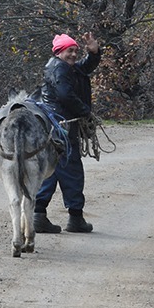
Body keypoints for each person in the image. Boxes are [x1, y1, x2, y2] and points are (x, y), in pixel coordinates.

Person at [34, 31, 101, 234]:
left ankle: (38, 215)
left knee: (51, 170)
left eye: (75, 50)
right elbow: (65, 95)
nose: (73, 54)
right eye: (69, 51)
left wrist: (94, 52)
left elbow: (85, 67)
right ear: (59, 52)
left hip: (55, 126)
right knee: (71, 171)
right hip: (62, 127)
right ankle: (75, 218)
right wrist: (85, 112)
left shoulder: (64, 68)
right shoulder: (60, 69)